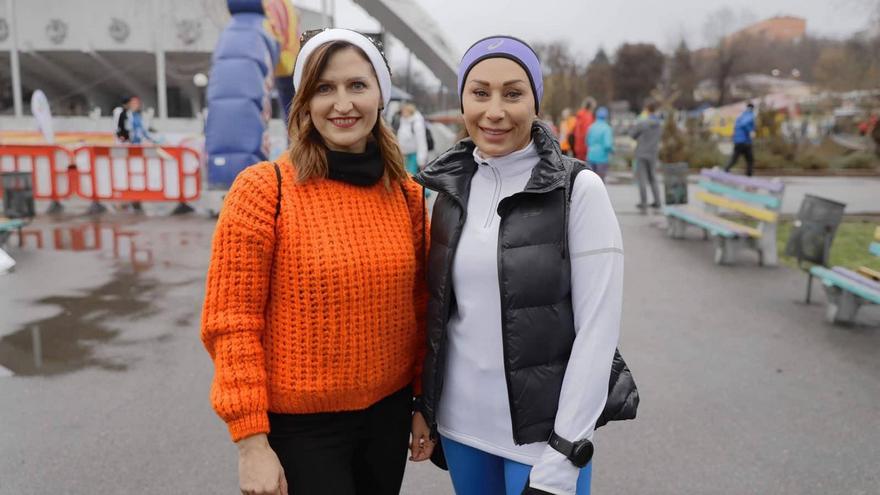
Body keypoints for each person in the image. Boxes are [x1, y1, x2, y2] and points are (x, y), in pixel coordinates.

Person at [201, 28, 430, 495]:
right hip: (301, 432)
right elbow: (232, 323)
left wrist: (423, 399)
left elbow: (421, 307)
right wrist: (251, 444)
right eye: (324, 88)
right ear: (304, 101)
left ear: (380, 96)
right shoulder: (265, 189)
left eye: (357, 86)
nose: (342, 103)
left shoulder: (406, 195)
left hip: (386, 419)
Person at [414, 35, 625, 495]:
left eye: (513, 93)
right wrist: (425, 405)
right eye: (480, 92)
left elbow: (598, 330)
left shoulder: (578, 190)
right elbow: (440, 314)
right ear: (462, 99)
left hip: (544, 439)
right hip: (462, 426)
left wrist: (566, 450)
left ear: (536, 101)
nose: (495, 111)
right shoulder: (448, 190)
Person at [629, 100, 662, 209]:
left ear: (647, 110)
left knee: (642, 179)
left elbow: (632, 135)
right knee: (653, 177)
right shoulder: (659, 124)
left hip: (642, 153)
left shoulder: (642, 123)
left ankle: (644, 202)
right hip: (653, 154)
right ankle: (657, 201)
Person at [396, 102, 429, 175]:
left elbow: (421, 142)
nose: (402, 113)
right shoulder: (403, 121)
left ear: (409, 111)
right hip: (404, 156)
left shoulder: (416, 123)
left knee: (411, 177)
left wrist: (421, 160)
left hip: (413, 156)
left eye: (403, 111)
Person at [724, 102, 756, 176]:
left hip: (738, 141)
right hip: (745, 142)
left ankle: (725, 170)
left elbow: (736, 127)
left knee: (734, 159)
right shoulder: (749, 115)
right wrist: (750, 131)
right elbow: (744, 124)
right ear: (752, 108)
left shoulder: (741, 115)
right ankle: (749, 176)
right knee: (750, 160)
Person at [586, 107, 614, 182]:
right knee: (600, 181)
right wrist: (612, 150)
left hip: (591, 156)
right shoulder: (606, 128)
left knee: (591, 180)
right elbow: (607, 145)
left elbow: (587, 141)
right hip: (602, 158)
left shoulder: (591, 127)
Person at [572, 98, 595, 162]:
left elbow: (574, 130)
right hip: (585, 146)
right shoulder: (588, 116)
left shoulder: (579, 115)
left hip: (577, 145)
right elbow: (588, 132)